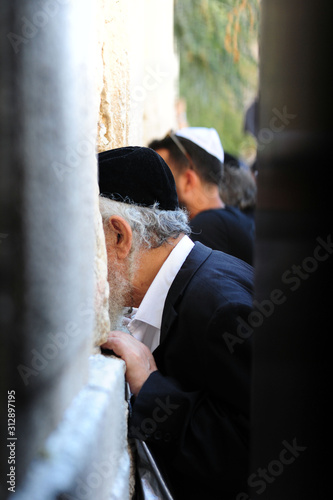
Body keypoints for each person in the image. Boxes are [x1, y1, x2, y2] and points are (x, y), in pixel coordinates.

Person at [98, 146, 254, 500]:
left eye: (89, 243)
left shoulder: (219, 309)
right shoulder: (196, 281)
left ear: (120, 236)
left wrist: (152, 387)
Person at [148, 127, 254, 265]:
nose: (150, 186)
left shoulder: (205, 228)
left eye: (159, 177)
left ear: (188, 180)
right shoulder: (229, 220)